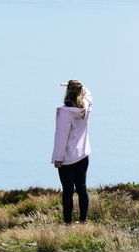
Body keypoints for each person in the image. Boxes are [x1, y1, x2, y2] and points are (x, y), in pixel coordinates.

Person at [51, 80, 93, 224]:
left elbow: (61, 137)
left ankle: (68, 223)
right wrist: (78, 86)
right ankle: (83, 221)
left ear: (68, 92)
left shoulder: (65, 112)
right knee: (82, 188)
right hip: (82, 155)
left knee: (68, 192)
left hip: (67, 158)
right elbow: (89, 95)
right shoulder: (85, 109)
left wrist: (58, 157)